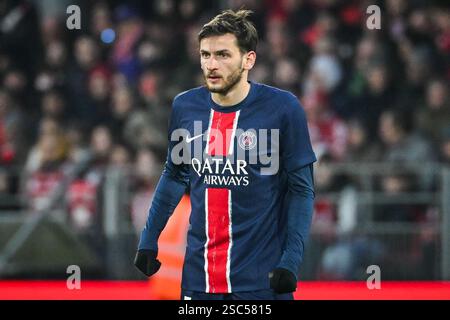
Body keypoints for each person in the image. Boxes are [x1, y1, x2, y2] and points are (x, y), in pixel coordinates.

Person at [134, 9, 316, 300]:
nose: (211, 65)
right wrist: (148, 240)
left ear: (249, 59)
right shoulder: (185, 107)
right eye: (205, 55)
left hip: (262, 281)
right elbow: (174, 175)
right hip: (199, 280)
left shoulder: (283, 108)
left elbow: (302, 191)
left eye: (222, 55)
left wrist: (291, 261)